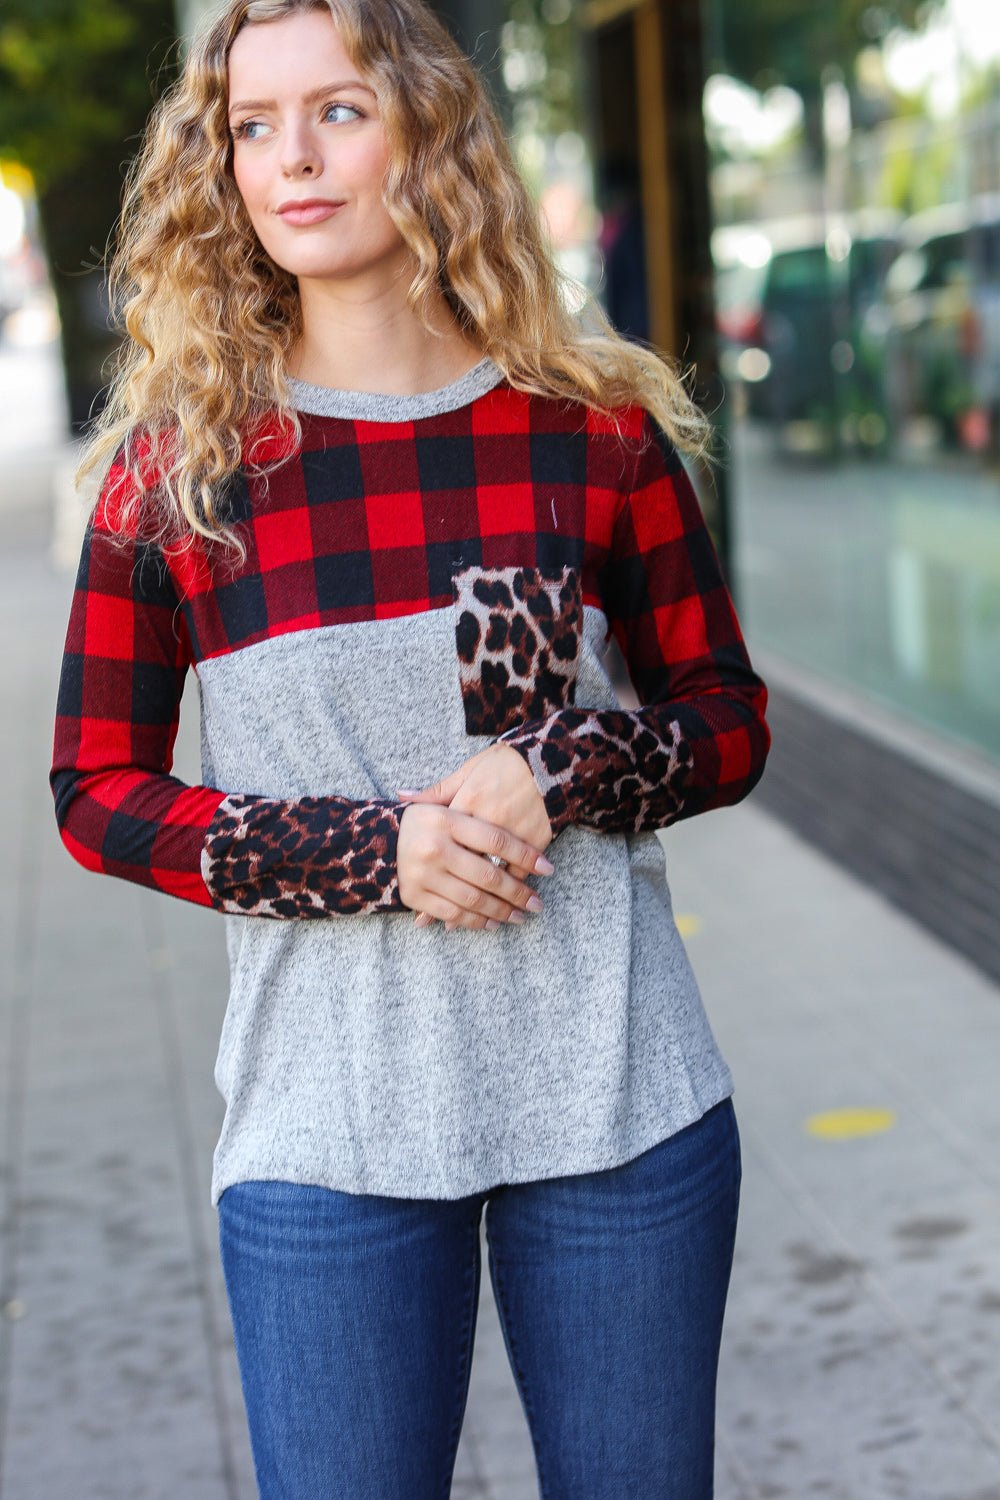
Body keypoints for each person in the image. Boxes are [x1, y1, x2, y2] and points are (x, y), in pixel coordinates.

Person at [49, 1, 771, 1495]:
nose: (290, 162)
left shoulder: (591, 426)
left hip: (616, 1104)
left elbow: (727, 718)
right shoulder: (181, 469)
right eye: (253, 125)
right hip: (327, 1133)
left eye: (339, 111)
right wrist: (376, 852)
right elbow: (96, 794)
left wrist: (560, 766)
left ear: (428, 131)